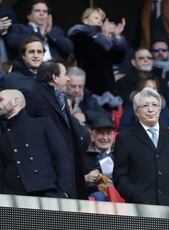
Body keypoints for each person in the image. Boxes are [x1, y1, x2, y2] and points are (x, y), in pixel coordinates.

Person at [113, 87, 169, 206]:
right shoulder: (125, 138)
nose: (150, 110)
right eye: (145, 106)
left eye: (155, 105)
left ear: (160, 109)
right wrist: (134, 195)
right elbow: (120, 175)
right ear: (137, 112)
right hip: (139, 207)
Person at [24, 60, 89, 199]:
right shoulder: (32, 94)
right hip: (51, 166)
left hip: (67, 164)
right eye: (65, 74)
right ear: (54, 77)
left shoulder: (59, 95)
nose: (68, 78)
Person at [0, 89, 73, 198]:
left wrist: (64, 192)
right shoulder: (3, 135)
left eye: (1, 100)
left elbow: (62, 158)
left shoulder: (43, 124)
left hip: (46, 192)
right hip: (12, 197)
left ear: (15, 102)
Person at [68, 7, 126, 95]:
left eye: (101, 19)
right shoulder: (79, 34)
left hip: (108, 88)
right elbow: (90, 54)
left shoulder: (103, 37)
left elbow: (118, 58)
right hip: (90, 86)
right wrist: (104, 37)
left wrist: (116, 37)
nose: (99, 21)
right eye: (96, 18)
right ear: (85, 20)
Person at [6, 0, 73, 61]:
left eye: (45, 11)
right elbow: (12, 42)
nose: (42, 14)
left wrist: (49, 34)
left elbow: (69, 48)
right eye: (37, 11)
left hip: (54, 69)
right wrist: (40, 34)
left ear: (48, 16)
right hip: (29, 71)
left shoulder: (56, 30)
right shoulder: (18, 28)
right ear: (29, 16)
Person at [84, 117, 115, 201]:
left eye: (108, 134)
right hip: (94, 194)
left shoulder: (121, 153)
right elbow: (72, 179)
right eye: (101, 133)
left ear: (113, 136)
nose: (105, 138)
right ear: (92, 136)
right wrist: (86, 178)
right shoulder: (83, 155)